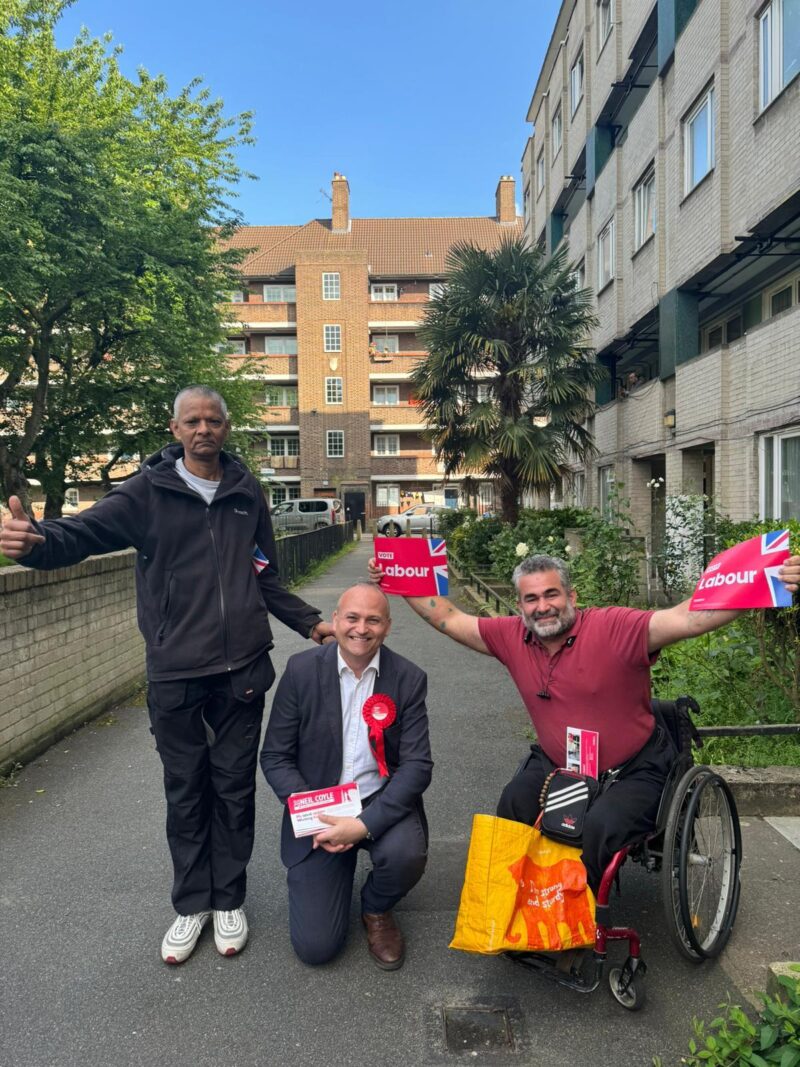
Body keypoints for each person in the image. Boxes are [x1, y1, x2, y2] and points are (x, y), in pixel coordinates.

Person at [0, 385, 332, 964]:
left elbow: (265, 574)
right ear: (174, 429)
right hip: (176, 672)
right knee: (185, 792)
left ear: (226, 428)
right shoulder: (145, 494)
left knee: (232, 790)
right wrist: (34, 543)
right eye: (192, 421)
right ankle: (190, 906)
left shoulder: (245, 492)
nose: (204, 429)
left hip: (243, 672)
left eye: (213, 420)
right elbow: (82, 534)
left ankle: (228, 899)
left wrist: (310, 624)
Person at [368, 551, 800, 893]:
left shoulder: (615, 627)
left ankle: (575, 914)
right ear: (519, 606)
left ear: (571, 597)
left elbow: (687, 617)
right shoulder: (510, 637)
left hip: (634, 769)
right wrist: (395, 576)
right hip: (560, 764)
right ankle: (516, 902)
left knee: (599, 828)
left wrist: (765, 583)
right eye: (532, 599)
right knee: (512, 806)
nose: (543, 607)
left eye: (552, 594)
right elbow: (449, 618)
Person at [261, 582, 433, 971]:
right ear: (335, 621)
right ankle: (325, 883)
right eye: (352, 618)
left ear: (387, 627)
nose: (361, 628)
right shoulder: (301, 671)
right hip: (321, 804)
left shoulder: (408, 678)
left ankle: (376, 908)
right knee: (316, 949)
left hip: (379, 799)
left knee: (406, 854)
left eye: (373, 620)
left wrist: (362, 825)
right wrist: (312, 813)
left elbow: (417, 765)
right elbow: (274, 755)